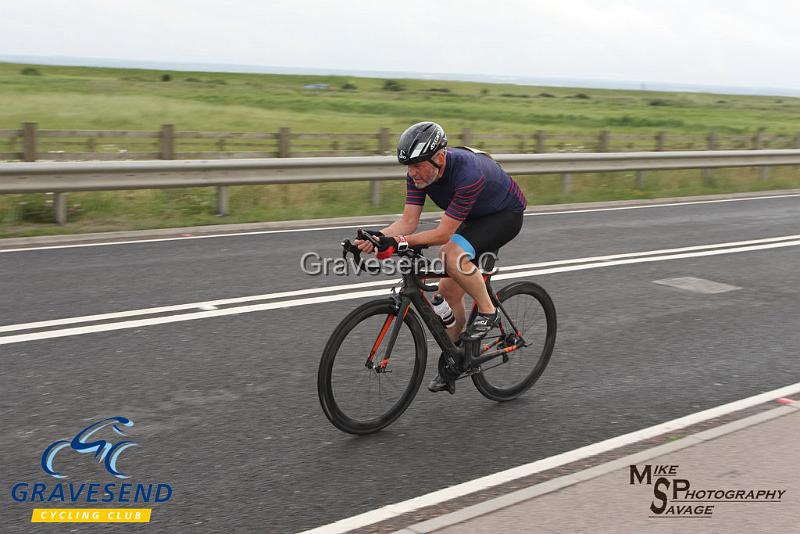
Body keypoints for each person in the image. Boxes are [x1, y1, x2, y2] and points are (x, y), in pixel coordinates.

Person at [355, 121, 527, 393]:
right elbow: (409, 222)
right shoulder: (420, 173)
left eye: (417, 165)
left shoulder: (467, 173)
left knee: (450, 254)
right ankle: (457, 358)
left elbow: (443, 233)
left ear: (440, 158)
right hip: (473, 215)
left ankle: (488, 311)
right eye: (408, 167)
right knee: (448, 293)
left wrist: (397, 242)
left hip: (504, 214)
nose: (412, 173)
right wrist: (377, 238)